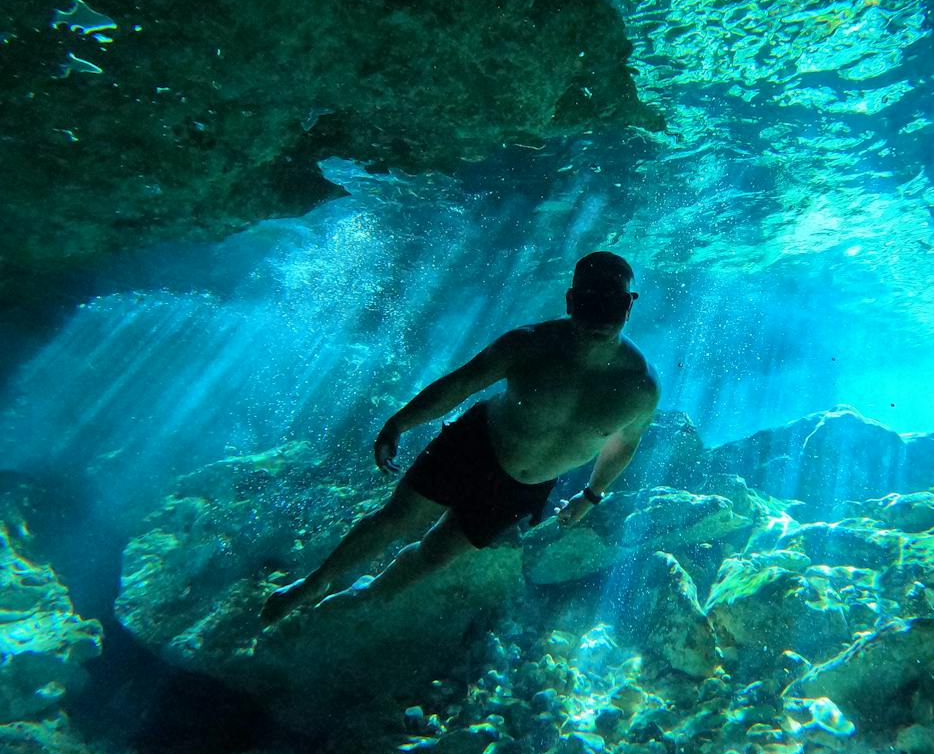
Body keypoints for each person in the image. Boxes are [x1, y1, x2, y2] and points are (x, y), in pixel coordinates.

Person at [260, 251, 659, 624]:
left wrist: (591, 495)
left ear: (629, 305)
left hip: (524, 488)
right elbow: (461, 384)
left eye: (612, 302)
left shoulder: (640, 388)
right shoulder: (527, 344)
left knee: (437, 554)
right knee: (397, 518)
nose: (600, 314)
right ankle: (314, 582)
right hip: (475, 443)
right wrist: (399, 422)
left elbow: (625, 444)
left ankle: (370, 594)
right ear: (571, 300)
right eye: (591, 300)